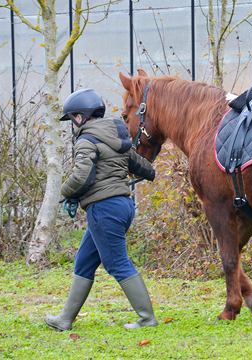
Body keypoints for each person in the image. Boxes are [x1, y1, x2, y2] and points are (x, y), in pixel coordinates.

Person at [44, 88, 158, 331]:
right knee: (84, 261)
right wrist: (151, 172)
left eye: (72, 119)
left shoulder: (87, 139)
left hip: (104, 208)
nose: (72, 126)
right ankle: (65, 319)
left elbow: (81, 177)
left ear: (79, 117)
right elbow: (138, 163)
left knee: (117, 263)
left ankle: (147, 319)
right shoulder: (116, 135)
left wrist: (64, 192)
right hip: (122, 206)